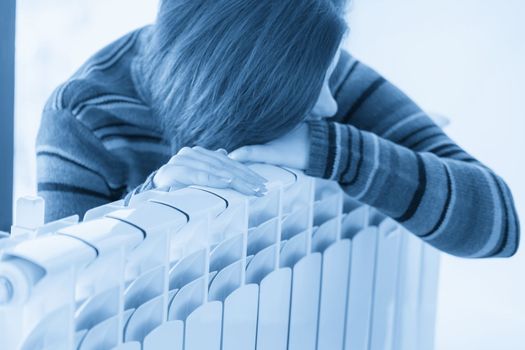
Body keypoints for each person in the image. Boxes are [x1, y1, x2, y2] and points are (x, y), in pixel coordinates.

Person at [36, 0, 519, 258]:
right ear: (247, 88)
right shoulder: (83, 114)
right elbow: (61, 311)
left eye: (329, 78)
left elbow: (498, 225)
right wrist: (150, 207)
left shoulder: (316, 67)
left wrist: (331, 148)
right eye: (319, 88)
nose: (331, 105)